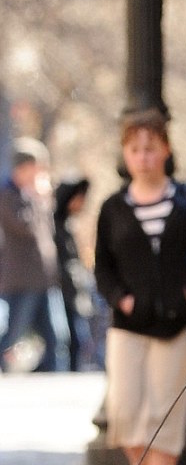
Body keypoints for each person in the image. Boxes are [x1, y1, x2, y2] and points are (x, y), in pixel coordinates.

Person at [95, 108, 186, 465]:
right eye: (135, 149)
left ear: (166, 149)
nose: (143, 156)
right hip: (128, 326)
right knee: (123, 411)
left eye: (151, 148)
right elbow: (102, 266)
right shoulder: (113, 207)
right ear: (125, 155)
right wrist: (121, 299)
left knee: (166, 411)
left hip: (175, 324)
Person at [0, 138, 59, 372]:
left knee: (56, 338)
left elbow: (48, 229)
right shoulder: (8, 195)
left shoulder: (34, 196)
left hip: (45, 278)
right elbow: (25, 226)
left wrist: (43, 199)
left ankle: (54, 379)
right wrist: (36, 197)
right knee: (13, 334)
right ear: (23, 168)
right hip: (22, 280)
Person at [54, 176, 95, 370]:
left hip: (75, 291)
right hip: (61, 291)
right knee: (68, 338)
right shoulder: (54, 225)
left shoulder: (68, 224)